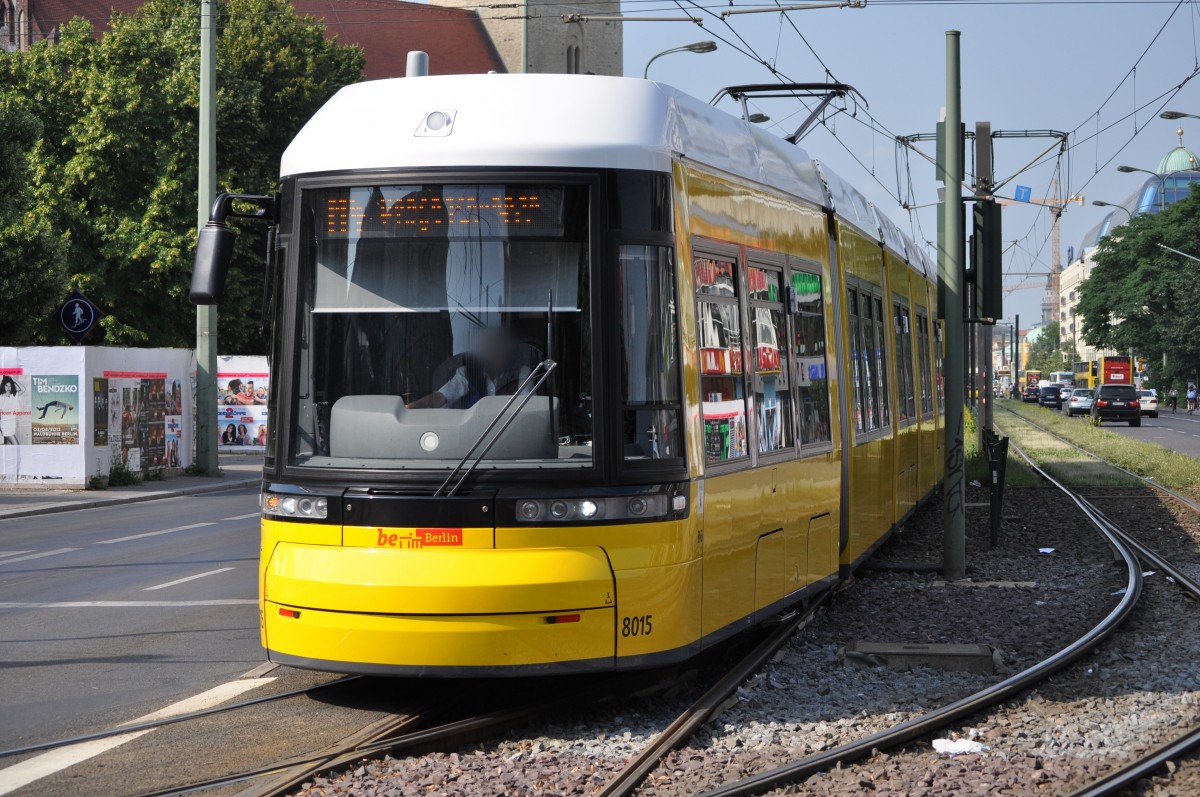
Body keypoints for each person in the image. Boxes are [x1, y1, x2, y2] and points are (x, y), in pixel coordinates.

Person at [407, 328, 533, 410]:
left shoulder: (522, 373)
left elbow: (528, 406)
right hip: (472, 437)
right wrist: (413, 406)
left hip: (506, 434)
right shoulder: (467, 373)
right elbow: (440, 397)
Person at [0, 376, 24, 445]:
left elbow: (23, 389)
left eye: (10, 386)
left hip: (12, 423)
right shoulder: (1, 397)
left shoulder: (14, 396)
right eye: (6, 385)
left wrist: (14, 380)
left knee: (8, 445)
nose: (8, 388)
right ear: (3, 386)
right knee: (16, 444)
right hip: (5, 425)